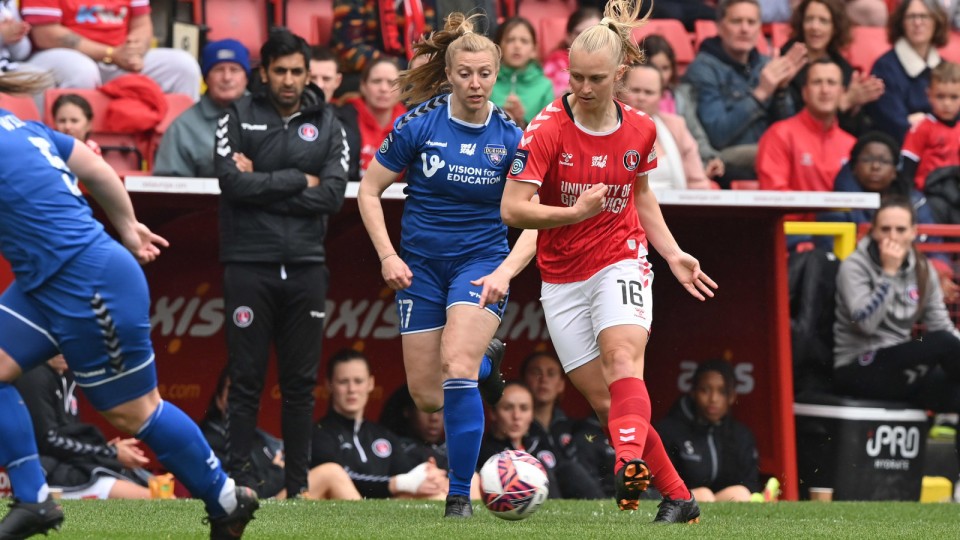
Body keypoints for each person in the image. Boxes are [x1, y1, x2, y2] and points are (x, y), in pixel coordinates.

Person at [0, 70, 257, 539]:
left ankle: (225, 498)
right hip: (45, 284)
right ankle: (34, 500)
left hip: (89, 282)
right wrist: (128, 227)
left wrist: (126, 232)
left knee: (134, 413)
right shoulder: (24, 127)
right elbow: (97, 169)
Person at [501, 0, 716, 523]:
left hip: (622, 258)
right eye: (575, 76)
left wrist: (672, 253)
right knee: (607, 406)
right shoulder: (546, 128)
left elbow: (642, 196)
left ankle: (625, 467)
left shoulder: (641, 128)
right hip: (561, 276)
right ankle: (679, 497)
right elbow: (512, 208)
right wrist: (573, 213)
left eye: (595, 78)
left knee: (623, 360)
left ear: (620, 74)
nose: (583, 87)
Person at [356, 12, 536, 518]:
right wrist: (388, 256)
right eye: (465, 74)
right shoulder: (418, 124)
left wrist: (505, 271)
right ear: (450, 74)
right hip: (420, 268)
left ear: (497, 74)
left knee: (456, 366)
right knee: (428, 397)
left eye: (485, 74)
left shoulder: (512, 137)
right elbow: (368, 191)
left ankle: (459, 496)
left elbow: (535, 217)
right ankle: (486, 362)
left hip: (480, 263)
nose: (475, 83)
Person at [214, 27, 349, 499]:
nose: (289, 80)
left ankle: (298, 489)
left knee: (300, 385)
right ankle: (237, 484)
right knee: (245, 379)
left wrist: (265, 182)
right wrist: (298, 179)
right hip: (249, 263)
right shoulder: (236, 114)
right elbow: (232, 184)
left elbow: (332, 195)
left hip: (307, 266)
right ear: (264, 73)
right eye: (280, 71)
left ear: (307, 73)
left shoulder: (329, 122)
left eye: (297, 71)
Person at [832, 196, 960, 490]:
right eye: (885, 229)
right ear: (873, 231)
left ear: (914, 232)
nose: (892, 236)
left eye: (900, 230)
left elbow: (941, 325)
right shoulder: (854, 266)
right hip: (859, 365)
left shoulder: (922, 268)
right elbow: (866, 323)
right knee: (940, 342)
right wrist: (888, 274)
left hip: (900, 369)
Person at [682, 0, 807, 184]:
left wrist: (780, 91)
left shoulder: (766, 64)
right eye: (736, 21)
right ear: (720, 26)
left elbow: (786, 129)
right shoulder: (703, 68)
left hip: (769, 159)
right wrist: (760, 94)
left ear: (759, 28)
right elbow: (717, 135)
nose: (745, 29)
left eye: (751, 22)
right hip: (725, 163)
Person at [309, 349, 447, 500]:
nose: (352, 389)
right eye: (343, 382)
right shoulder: (319, 434)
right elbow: (341, 479)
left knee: (436, 494)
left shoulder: (383, 435)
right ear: (329, 385)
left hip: (382, 512)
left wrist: (428, 475)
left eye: (358, 381)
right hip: (339, 513)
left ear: (370, 383)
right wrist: (398, 483)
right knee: (333, 473)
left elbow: (408, 476)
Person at [14, 355, 153, 500]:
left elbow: (69, 437)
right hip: (45, 475)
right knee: (148, 497)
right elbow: (48, 440)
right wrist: (110, 453)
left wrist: (105, 450)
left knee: (155, 488)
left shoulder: (66, 376)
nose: (61, 352)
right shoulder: (34, 375)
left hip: (70, 465)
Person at [21, 0, 200, 101]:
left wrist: (135, 49)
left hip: (119, 58)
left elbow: (142, 23)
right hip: (60, 57)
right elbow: (45, 34)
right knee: (82, 70)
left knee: (183, 66)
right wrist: (111, 54)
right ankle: (76, 148)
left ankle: (177, 149)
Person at [656, 359, 761, 503]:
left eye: (722, 392)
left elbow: (752, 486)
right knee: (704, 495)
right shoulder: (668, 431)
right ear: (693, 392)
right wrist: (695, 497)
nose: (713, 399)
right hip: (679, 506)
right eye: (704, 390)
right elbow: (654, 490)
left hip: (726, 507)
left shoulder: (742, 436)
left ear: (732, 397)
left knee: (740, 493)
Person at [478, 381, 605, 499]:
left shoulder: (540, 446)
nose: (516, 416)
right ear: (493, 413)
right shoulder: (484, 455)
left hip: (557, 508)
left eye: (524, 408)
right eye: (508, 408)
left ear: (532, 414)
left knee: (569, 469)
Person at [784, 0, 884, 136]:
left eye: (823, 21)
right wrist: (844, 102)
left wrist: (854, 106)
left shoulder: (843, 68)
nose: (815, 27)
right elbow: (792, 118)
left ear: (835, 28)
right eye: (809, 19)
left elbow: (852, 131)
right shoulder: (786, 60)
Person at [153, 39, 250, 178]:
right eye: (218, 70)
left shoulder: (269, 114)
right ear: (205, 79)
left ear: (246, 78)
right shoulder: (183, 127)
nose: (227, 77)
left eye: (234, 70)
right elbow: (169, 185)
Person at [757, 58, 856, 192]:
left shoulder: (851, 145)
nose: (825, 90)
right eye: (817, 82)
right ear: (805, 93)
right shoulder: (780, 135)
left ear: (842, 93)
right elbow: (774, 193)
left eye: (831, 83)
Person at [620, 63, 715, 191]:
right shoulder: (605, 128)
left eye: (649, 92)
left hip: (675, 202)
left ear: (661, 96)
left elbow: (697, 182)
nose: (641, 98)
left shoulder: (676, 126)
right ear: (620, 91)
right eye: (635, 90)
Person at [643, 35, 725, 180]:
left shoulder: (681, 98)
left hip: (684, 163)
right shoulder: (634, 98)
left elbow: (696, 134)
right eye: (654, 67)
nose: (661, 75)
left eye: (665, 68)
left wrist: (710, 158)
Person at [866, 0, 949, 143]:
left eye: (924, 16)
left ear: (936, 22)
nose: (917, 22)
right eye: (911, 17)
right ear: (901, 23)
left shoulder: (945, 68)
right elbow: (894, 124)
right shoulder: (884, 67)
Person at [200, 370, 285, 499]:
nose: (242, 400)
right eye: (234, 391)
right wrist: (277, 472)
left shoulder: (260, 438)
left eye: (249, 392)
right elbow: (235, 493)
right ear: (219, 400)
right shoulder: (209, 442)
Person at [900, 61, 960, 191]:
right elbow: (908, 168)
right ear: (929, 95)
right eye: (940, 96)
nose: (947, 103)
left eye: (954, 97)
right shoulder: (921, 128)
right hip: (929, 192)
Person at [343, 58, 406, 178]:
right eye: (376, 81)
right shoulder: (341, 120)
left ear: (401, 88)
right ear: (363, 86)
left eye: (391, 83)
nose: (383, 88)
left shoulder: (414, 125)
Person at [491, 17, 555, 129]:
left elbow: (549, 131)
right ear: (498, 47)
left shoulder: (545, 86)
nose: (517, 46)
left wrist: (521, 122)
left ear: (534, 50)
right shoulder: (487, 80)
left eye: (524, 41)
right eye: (510, 40)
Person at [311, 46, 361, 182]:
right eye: (312, 78)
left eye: (326, 79)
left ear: (337, 81)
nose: (319, 85)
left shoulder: (349, 121)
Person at [543, 7, 602, 97]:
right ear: (568, 36)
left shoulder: (613, 62)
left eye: (594, 34)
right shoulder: (556, 62)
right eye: (580, 34)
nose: (587, 39)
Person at [0, 0, 31, 73]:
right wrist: (2, 36)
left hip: (7, 63)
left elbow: (20, 55)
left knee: (41, 75)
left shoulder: (9, 3)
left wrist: (16, 35)